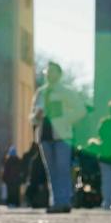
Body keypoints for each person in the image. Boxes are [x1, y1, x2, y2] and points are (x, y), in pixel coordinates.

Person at [32, 62, 76, 213]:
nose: (49, 74)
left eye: (52, 72)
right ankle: (56, 201)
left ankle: (64, 201)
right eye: (47, 72)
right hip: (45, 134)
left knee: (63, 169)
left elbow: (80, 110)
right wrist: (35, 117)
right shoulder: (41, 93)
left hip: (62, 134)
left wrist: (64, 119)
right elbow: (32, 116)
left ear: (59, 74)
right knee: (51, 171)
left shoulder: (66, 92)